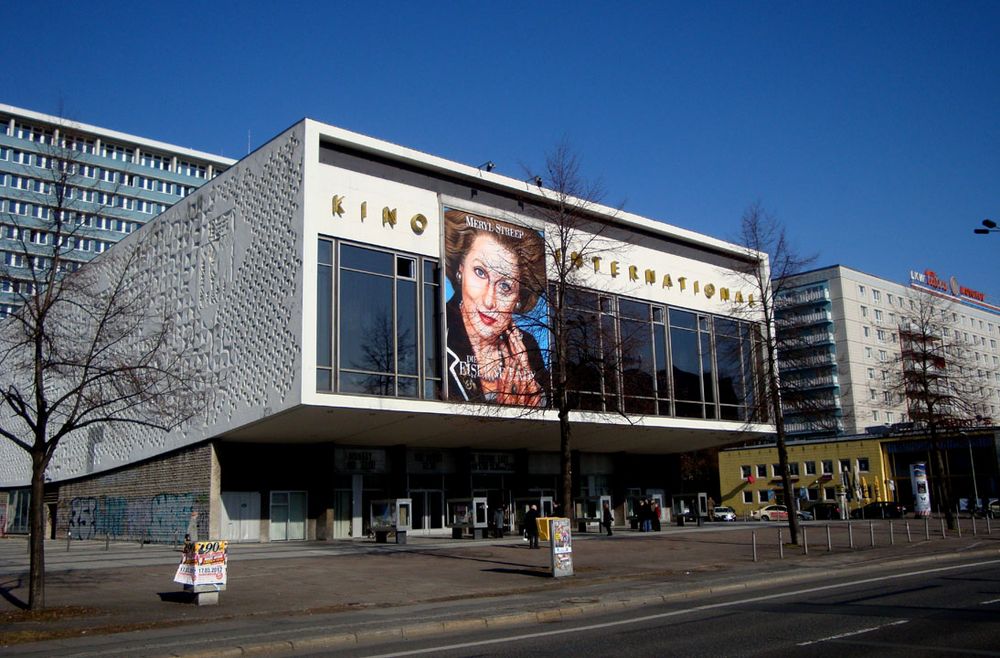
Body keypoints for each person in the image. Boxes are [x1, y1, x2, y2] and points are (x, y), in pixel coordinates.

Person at [444, 210, 548, 406]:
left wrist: (537, 401)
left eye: (505, 286)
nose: (489, 301)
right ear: (461, 270)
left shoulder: (528, 346)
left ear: (518, 297)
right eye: (480, 272)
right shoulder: (438, 331)